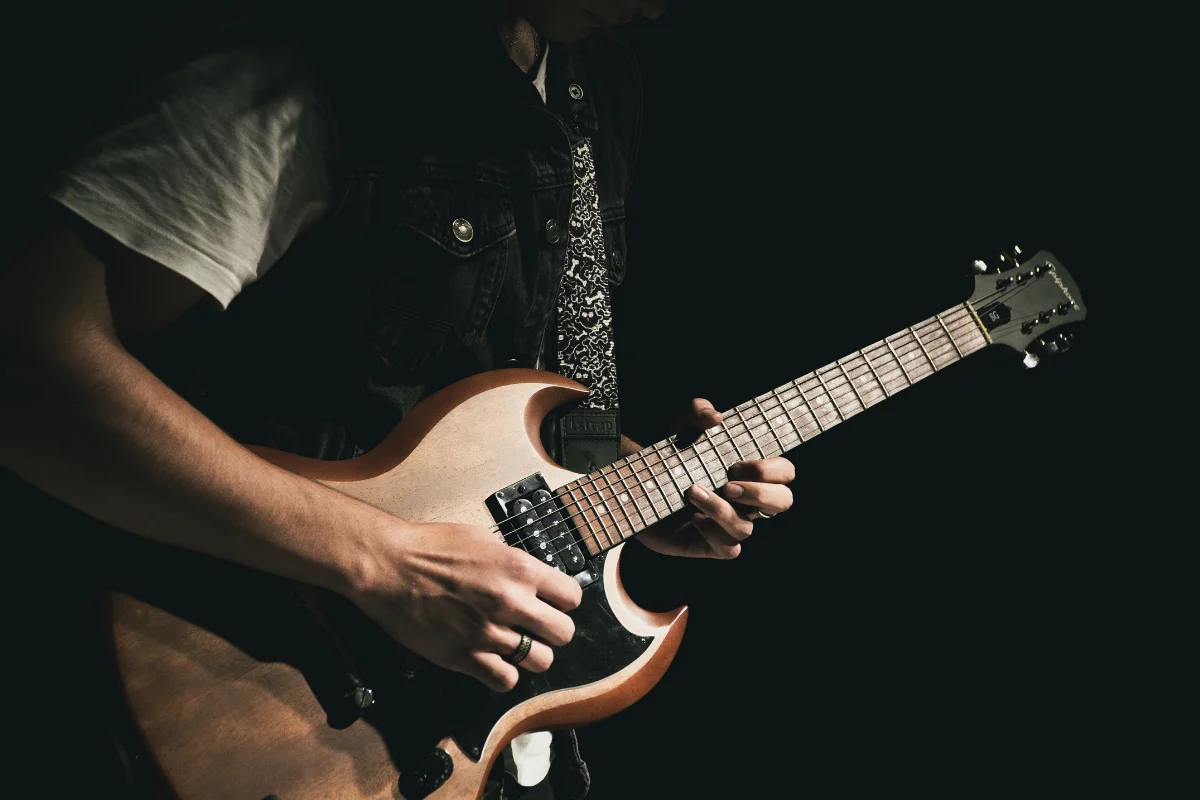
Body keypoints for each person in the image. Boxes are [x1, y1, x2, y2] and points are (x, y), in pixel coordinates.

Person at [0, 1, 794, 796]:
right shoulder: (315, 65)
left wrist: (635, 487)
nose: (661, 7)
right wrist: (384, 563)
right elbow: (27, 366)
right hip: (270, 679)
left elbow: (535, 387)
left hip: (489, 741)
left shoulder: (602, 80)